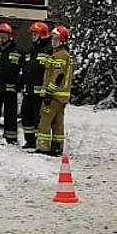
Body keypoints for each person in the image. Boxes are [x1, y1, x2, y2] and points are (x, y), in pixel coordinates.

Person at [36, 26, 75, 156]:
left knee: (45, 121)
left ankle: (43, 146)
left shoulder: (60, 56)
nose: (53, 40)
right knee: (58, 123)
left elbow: (58, 75)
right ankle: (57, 146)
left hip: (54, 96)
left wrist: (49, 92)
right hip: (61, 97)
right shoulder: (64, 55)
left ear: (62, 40)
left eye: (56, 38)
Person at [0, 23, 23, 143]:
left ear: (10, 36)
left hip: (10, 90)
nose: (1, 38)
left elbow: (22, 71)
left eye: (4, 36)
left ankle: (11, 137)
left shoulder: (18, 53)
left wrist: (19, 85)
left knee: (11, 114)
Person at [20, 21, 51, 150]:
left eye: (35, 33)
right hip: (28, 91)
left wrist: (48, 91)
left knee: (39, 118)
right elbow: (25, 69)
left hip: (41, 93)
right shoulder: (30, 51)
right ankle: (30, 141)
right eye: (32, 33)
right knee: (26, 116)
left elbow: (51, 73)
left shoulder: (49, 51)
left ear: (42, 35)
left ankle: (40, 142)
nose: (32, 36)